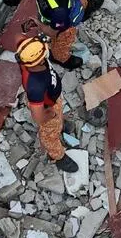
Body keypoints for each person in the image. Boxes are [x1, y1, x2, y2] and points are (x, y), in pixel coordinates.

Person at [17, 35, 78, 173]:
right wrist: (50, 114)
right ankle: (57, 156)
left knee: (57, 116)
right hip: (47, 107)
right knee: (49, 134)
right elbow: (38, 116)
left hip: (52, 97)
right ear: (38, 61)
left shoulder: (29, 57)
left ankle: (60, 125)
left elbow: (18, 38)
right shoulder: (35, 86)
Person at [33, 0, 103, 71]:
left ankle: (84, 12)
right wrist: (40, 25)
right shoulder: (59, 11)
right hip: (57, 21)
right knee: (64, 38)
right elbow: (52, 32)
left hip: (64, 7)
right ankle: (60, 58)